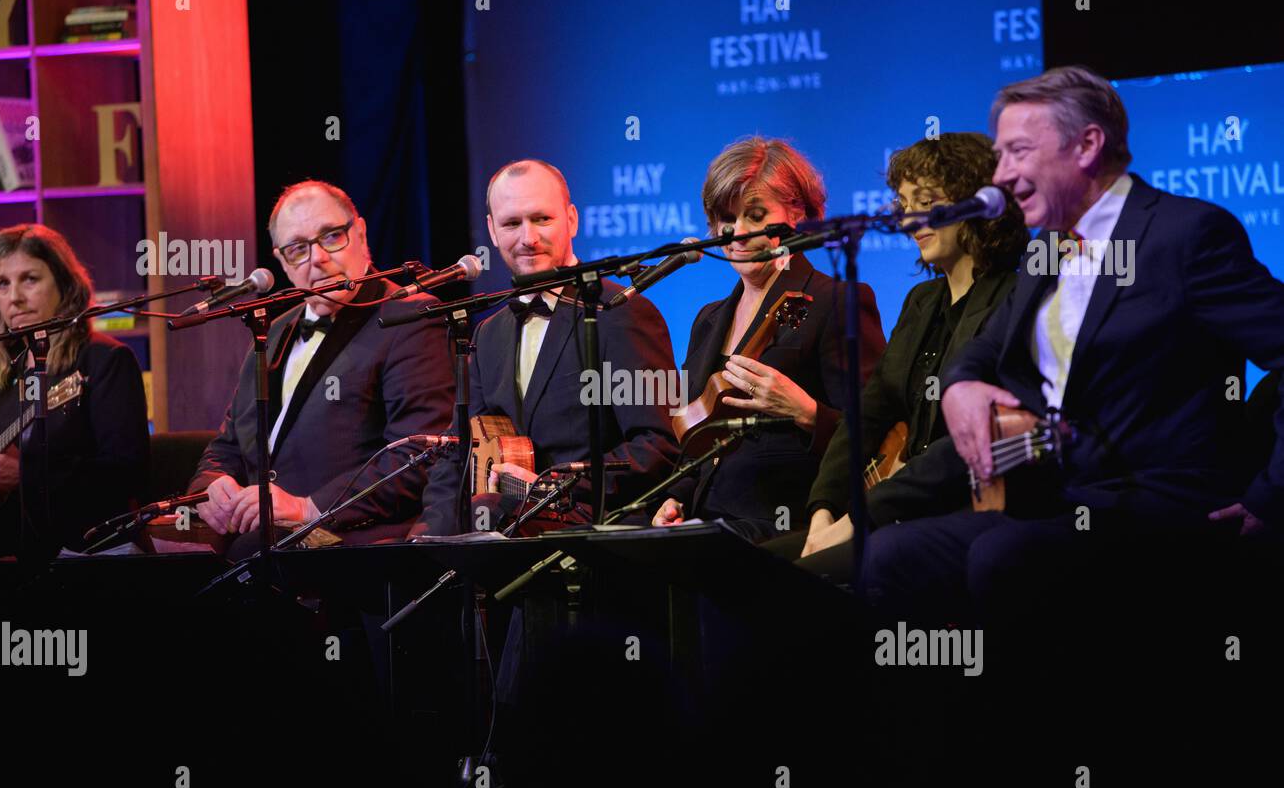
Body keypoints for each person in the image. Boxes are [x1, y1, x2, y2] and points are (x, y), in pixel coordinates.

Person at [862, 65, 1284, 620]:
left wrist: (1269, 498)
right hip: (1053, 496)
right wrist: (961, 388)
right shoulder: (1046, 251)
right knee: (889, 553)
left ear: (1087, 144)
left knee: (1004, 556)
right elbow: (984, 352)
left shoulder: (1186, 235)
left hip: (1157, 501)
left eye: (1017, 152)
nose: (1002, 176)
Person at [795, 132, 1028, 575]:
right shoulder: (920, 302)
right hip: (890, 509)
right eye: (904, 205)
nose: (910, 221)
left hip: (960, 509)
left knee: (805, 580)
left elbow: (967, 443)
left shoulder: (1014, 300)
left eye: (927, 202)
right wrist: (824, 508)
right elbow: (867, 416)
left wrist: (860, 517)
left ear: (975, 203)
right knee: (757, 566)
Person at [188, 179, 454, 553]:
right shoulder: (272, 330)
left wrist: (308, 507)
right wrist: (211, 486)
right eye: (298, 248)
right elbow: (228, 444)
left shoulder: (411, 318)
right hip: (263, 543)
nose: (317, 258)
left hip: (351, 547)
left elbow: (420, 455)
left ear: (360, 233)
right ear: (281, 261)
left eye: (331, 237)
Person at [416, 158, 679, 536]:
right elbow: (459, 451)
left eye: (542, 219)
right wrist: (428, 537)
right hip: (512, 545)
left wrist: (548, 488)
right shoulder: (488, 333)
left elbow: (656, 448)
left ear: (572, 219)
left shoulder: (622, 312)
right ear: (491, 230)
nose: (528, 238)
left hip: (596, 541)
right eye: (511, 223)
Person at [651, 136, 886, 543]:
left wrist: (807, 411)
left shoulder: (837, 301)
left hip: (786, 522)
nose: (737, 233)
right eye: (727, 219)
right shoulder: (708, 319)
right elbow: (701, 438)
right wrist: (677, 495)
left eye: (755, 215)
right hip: (713, 518)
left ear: (799, 216)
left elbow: (876, 435)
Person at [0, 224, 149, 558]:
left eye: (30, 279)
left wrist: (25, 475)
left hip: (85, 549)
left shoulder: (104, 359)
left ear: (63, 284)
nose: (14, 296)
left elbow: (128, 473)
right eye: (2, 283)